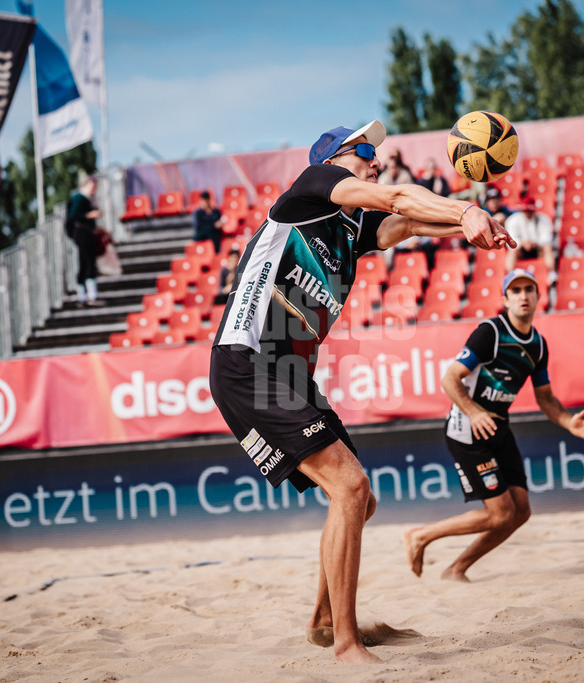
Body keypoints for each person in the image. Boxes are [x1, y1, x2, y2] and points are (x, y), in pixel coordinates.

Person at [209, 120, 515, 663]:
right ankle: (346, 643)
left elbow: (408, 221)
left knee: (361, 498)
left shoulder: (348, 231)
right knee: (350, 486)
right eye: (367, 150)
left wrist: (474, 223)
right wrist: (465, 211)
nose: (377, 159)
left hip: (290, 375)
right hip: (247, 362)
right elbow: (397, 196)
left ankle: (326, 621)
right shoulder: (311, 188)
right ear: (335, 158)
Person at [403, 268, 584, 582]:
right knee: (501, 513)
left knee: (520, 512)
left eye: (528, 290)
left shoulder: (538, 345)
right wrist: (473, 411)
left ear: (538, 296)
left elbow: (546, 397)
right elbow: (450, 379)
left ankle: (456, 569)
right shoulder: (491, 332)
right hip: (467, 431)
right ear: (506, 299)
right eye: (516, 290)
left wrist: (567, 422)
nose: (523, 295)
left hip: (498, 427)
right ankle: (420, 535)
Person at [67, 173, 104, 306]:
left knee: (85, 262)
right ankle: (90, 295)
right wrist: (89, 215)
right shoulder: (80, 198)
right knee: (88, 262)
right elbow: (74, 216)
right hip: (82, 233)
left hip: (86, 233)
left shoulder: (88, 198)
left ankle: (83, 295)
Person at [503, 197, 555, 277]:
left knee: (547, 248)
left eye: (530, 210)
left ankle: (552, 273)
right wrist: (522, 243)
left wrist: (535, 243)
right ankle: (510, 275)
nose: (528, 212)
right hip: (521, 250)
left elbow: (547, 238)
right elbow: (510, 240)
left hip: (537, 249)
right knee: (512, 251)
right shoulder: (512, 220)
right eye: (525, 210)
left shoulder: (544, 219)